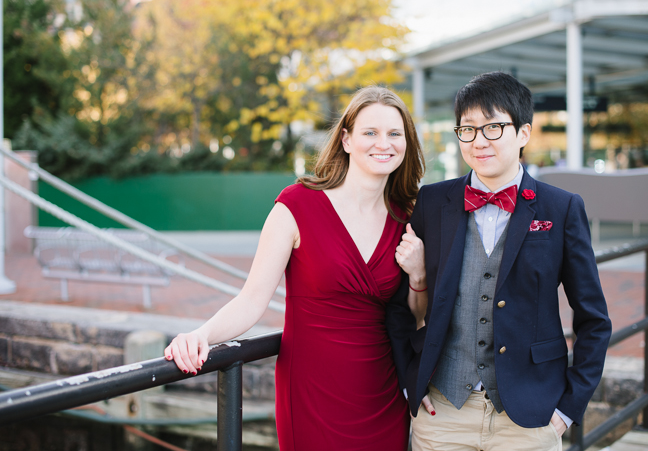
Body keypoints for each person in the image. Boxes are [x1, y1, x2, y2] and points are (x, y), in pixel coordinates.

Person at [165, 86, 425, 451]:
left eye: (394, 134)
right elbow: (252, 300)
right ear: (347, 140)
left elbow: (415, 316)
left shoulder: (408, 217)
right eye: (371, 132)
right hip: (311, 391)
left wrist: (418, 276)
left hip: (381, 393)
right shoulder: (296, 205)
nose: (384, 143)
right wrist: (202, 335)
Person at [387, 72, 612, 451]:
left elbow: (594, 319)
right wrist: (411, 382)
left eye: (493, 128)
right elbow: (398, 308)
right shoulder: (431, 202)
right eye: (468, 130)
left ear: (523, 133)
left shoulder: (562, 208)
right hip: (443, 413)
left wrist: (567, 410)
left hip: (530, 417)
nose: (479, 141)